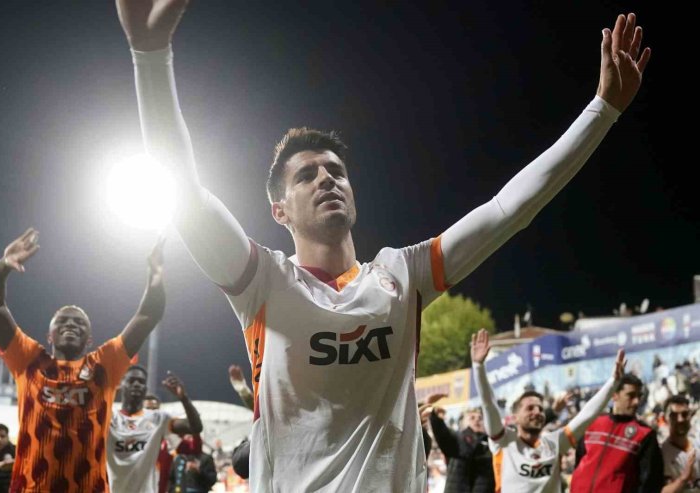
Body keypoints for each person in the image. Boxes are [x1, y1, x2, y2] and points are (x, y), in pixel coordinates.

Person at [113, 1, 650, 489]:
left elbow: (509, 209)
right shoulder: (263, 282)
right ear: (279, 211)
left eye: (336, 171)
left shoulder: (402, 275)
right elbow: (185, 193)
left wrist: (602, 110)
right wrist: (150, 56)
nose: (326, 179)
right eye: (306, 176)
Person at [0, 229, 165, 492]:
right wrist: (4, 265)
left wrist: (155, 276)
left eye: (79, 323)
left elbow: (148, 316)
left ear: (89, 340)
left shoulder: (104, 364)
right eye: (63, 321)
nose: (71, 325)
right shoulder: (28, 359)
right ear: (49, 335)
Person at [470, 329, 624, 493]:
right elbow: (488, 404)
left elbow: (586, 415)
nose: (537, 412)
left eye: (540, 408)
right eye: (530, 408)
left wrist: (613, 382)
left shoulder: (554, 442)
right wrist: (478, 366)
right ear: (515, 417)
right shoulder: (504, 441)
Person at [107, 368, 203, 493]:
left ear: (145, 388)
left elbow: (195, 427)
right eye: (131, 380)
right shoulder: (108, 418)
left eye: (141, 382)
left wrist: (183, 398)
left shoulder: (159, 419)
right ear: (120, 384)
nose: (136, 384)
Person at [572, 373, 664, 492]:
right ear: (615, 395)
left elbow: (651, 483)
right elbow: (579, 462)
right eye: (631, 395)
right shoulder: (592, 424)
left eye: (639, 396)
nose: (636, 402)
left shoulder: (645, 434)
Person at [428, 405, 494, 493]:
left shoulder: (492, 444)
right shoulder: (457, 440)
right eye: (472, 418)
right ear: (463, 424)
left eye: (480, 418)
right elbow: (444, 437)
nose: (477, 420)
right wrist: (437, 419)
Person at [661, 395, 700, 493]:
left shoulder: (697, 445)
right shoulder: (662, 455)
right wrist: (684, 478)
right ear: (665, 419)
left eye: (684, 414)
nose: (680, 420)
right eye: (674, 416)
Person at [143, 394, 175, 493]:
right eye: (148, 409)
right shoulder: (130, 436)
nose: (151, 412)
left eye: (154, 409)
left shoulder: (168, 440)